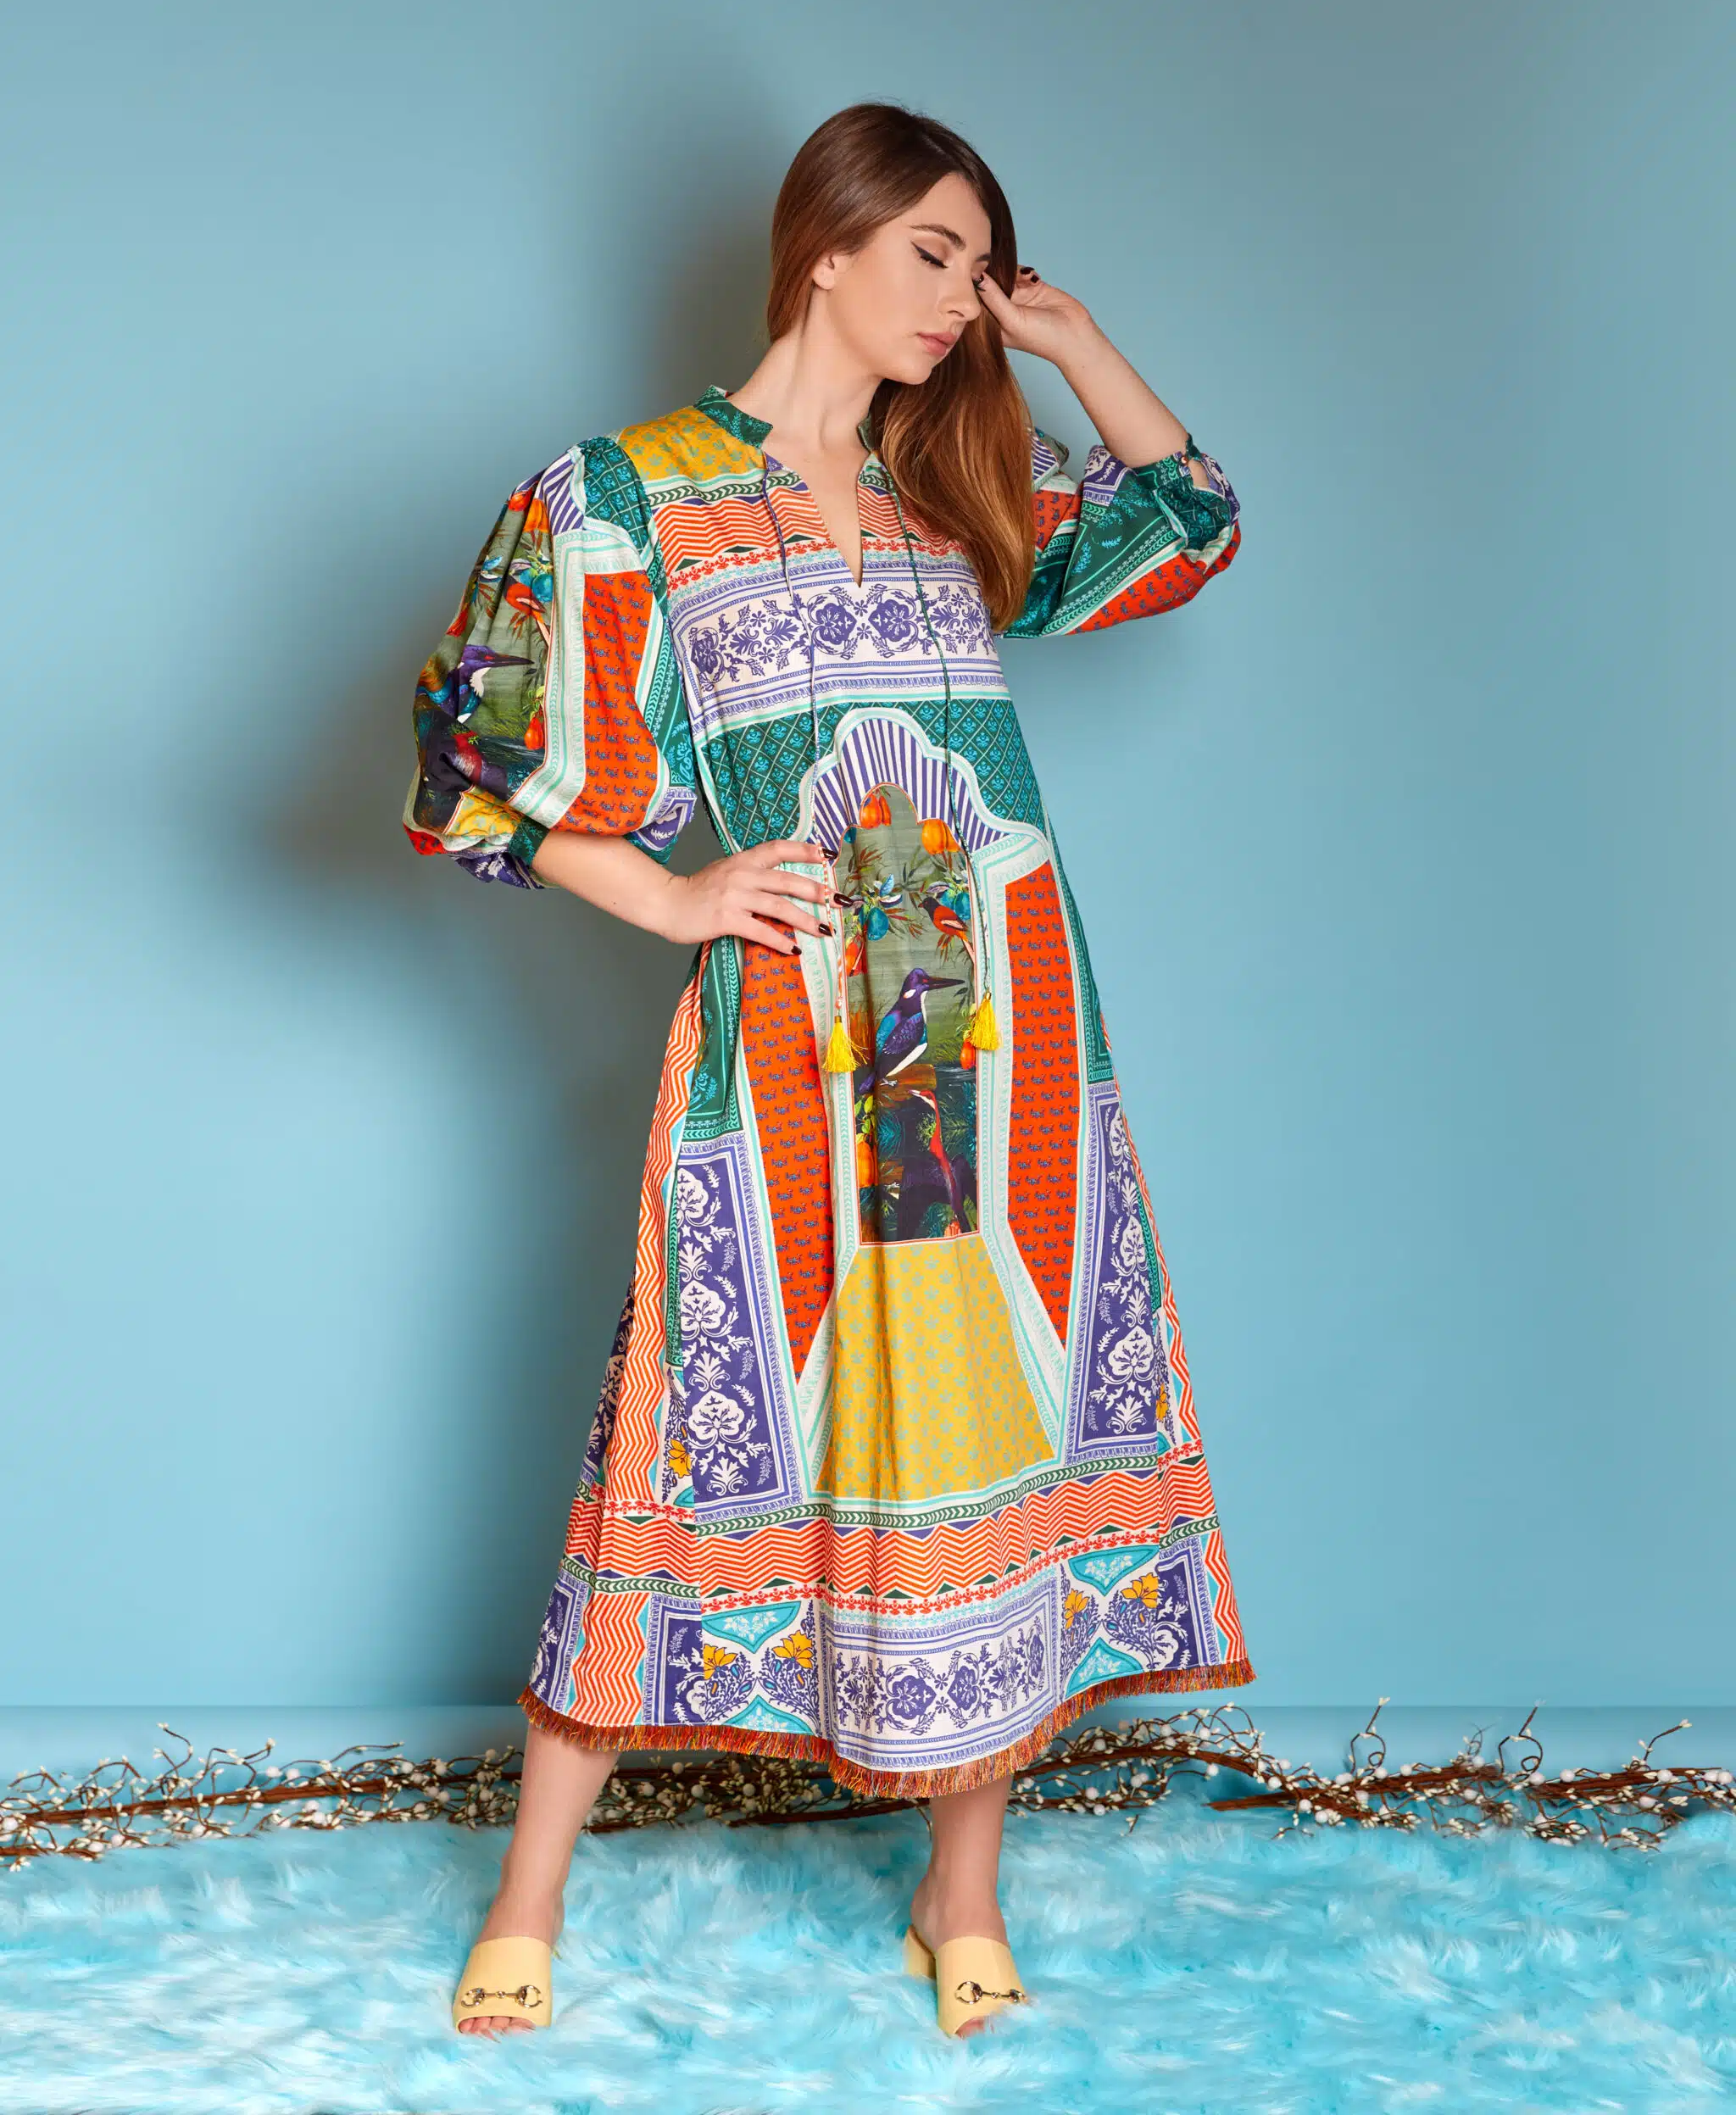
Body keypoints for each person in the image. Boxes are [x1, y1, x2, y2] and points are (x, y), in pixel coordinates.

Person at [406, 100, 1255, 2042]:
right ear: (827, 245)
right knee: (681, 1430)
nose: (959, 299)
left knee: (985, 1432)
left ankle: (964, 1887)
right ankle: (529, 1893)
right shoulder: (627, 495)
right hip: (798, 1026)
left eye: (983, 266)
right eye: (935, 255)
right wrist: (675, 896)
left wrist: (1070, 339)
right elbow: (473, 758)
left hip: (993, 1021)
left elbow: (1190, 520)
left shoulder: (952, 489)